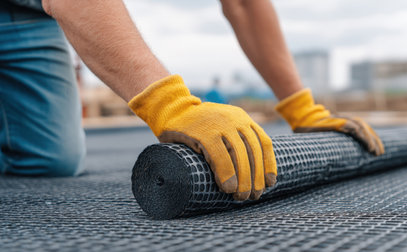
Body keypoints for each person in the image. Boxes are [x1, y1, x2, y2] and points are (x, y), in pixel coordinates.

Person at [0, 0, 384, 201]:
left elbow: (246, 5)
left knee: (52, 160)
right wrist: (171, 105)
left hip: (27, 15)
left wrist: (301, 108)